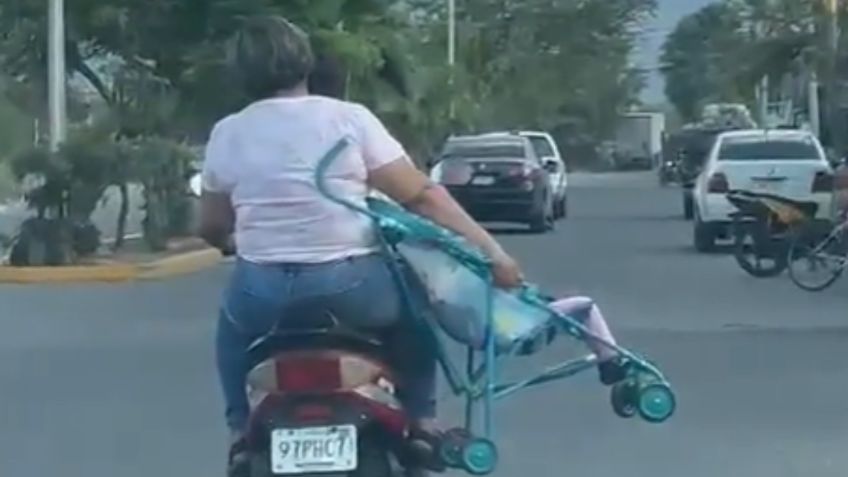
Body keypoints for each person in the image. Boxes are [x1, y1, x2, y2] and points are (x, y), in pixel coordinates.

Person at [198, 15, 522, 476]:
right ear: (303, 61)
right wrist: (495, 254)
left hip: (262, 291)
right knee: (415, 310)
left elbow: (211, 224)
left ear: (241, 72)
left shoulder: (227, 132)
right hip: (352, 285)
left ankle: (237, 431)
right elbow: (422, 195)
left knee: (230, 329)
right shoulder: (348, 119)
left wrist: (231, 240)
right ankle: (423, 420)